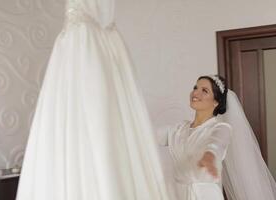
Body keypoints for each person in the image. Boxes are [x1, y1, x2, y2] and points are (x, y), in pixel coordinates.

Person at [16, 0, 170, 200]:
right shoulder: (84, 42)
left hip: (93, 45)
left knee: (102, 119)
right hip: (86, 46)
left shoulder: (90, 42)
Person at [158, 75, 276, 200]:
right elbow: (148, 136)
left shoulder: (220, 128)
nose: (196, 92)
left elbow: (217, 143)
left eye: (204, 91)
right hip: (176, 194)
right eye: (196, 87)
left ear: (215, 102)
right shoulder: (178, 130)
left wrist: (209, 155)